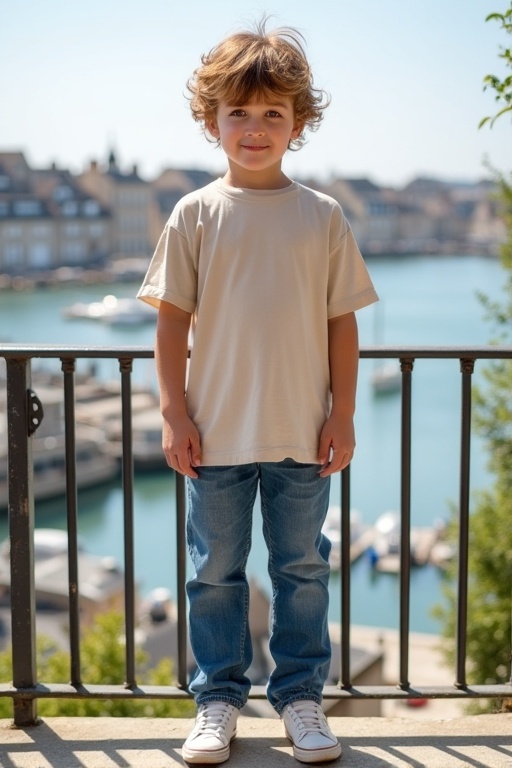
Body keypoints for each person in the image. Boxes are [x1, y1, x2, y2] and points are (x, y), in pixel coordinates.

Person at [138, 17, 378, 765]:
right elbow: (171, 324)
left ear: (297, 124)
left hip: (303, 431)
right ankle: (217, 701)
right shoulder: (195, 214)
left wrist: (342, 411)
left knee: (303, 569)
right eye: (239, 112)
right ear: (212, 119)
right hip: (213, 434)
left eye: (273, 113)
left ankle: (302, 698)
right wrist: (173, 415)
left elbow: (342, 324)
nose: (254, 127)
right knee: (213, 573)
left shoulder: (323, 215)